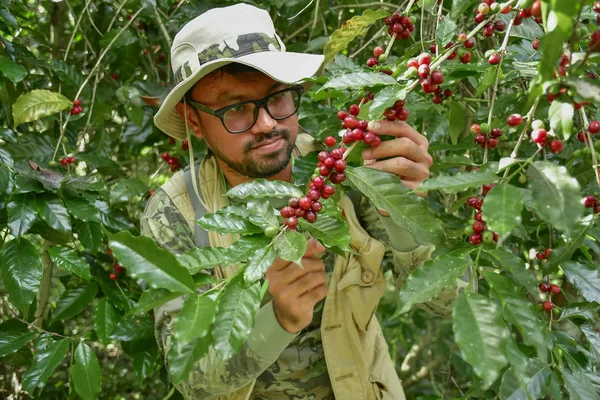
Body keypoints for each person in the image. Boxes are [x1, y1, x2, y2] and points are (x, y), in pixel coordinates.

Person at [141, 3, 463, 399]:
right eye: (237, 109)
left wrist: (402, 209)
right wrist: (277, 320)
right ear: (194, 121)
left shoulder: (342, 171)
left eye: (277, 97)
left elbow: (454, 303)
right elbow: (189, 377)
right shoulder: (176, 212)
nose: (267, 123)